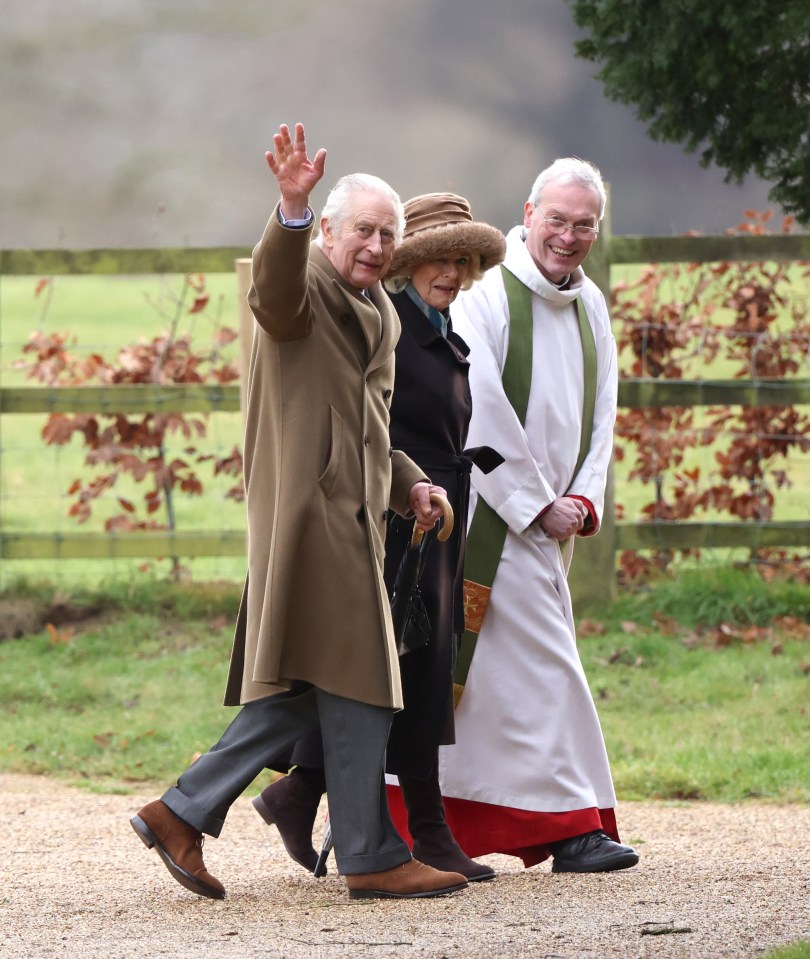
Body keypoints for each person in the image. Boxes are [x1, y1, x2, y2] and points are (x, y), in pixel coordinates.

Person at [129, 122, 469, 901]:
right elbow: (271, 297)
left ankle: (188, 813)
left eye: (389, 234)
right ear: (328, 230)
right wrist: (287, 209)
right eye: (363, 230)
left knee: (324, 682)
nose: (377, 245)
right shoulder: (306, 282)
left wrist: (410, 482)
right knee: (359, 676)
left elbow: (370, 429)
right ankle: (365, 850)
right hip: (309, 522)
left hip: (356, 518)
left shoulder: (377, 307)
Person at [251, 193, 506, 883]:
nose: (450, 273)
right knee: (394, 677)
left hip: (432, 513)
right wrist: (401, 490)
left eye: (462, 261)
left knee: (399, 676)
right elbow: (365, 422)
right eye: (437, 260)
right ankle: (413, 828)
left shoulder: (438, 329)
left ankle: (301, 793)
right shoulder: (387, 324)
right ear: (407, 264)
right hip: (391, 525)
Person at [435, 158, 640, 873]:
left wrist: (583, 498)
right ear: (528, 213)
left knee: (488, 686)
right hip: (492, 516)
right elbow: (477, 406)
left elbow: (603, 412)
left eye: (585, 224)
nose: (569, 235)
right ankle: (572, 827)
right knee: (548, 668)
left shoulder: (593, 307)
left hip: (554, 523)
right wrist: (534, 503)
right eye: (558, 219)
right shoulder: (485, 297)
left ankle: (387, 810)